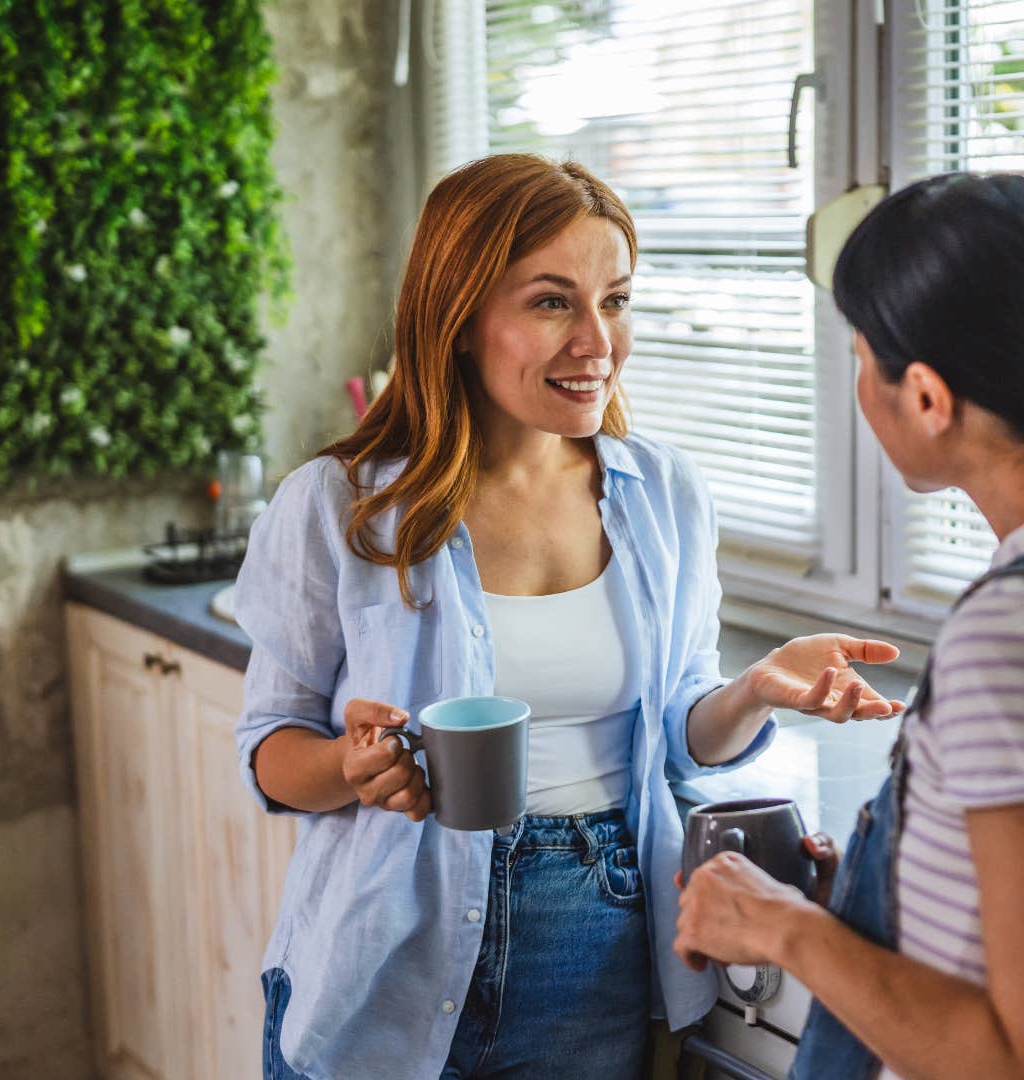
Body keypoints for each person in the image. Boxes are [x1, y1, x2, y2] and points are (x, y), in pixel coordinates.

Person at [232, 153, 904, 1080]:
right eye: (552, 302)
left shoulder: (662, 493)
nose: (597, 341)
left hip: (593, 958)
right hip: (379, 960)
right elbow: (271, 749)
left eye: (615, 301)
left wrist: (754, 690)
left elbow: (676, 739)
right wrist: (349, 768)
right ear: (459, 318)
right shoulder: (340, 506)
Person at [673, 173, 1024, 1080]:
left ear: (928, 398)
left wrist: (783, 929)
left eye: (862, 357)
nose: (858, 385)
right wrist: (879, 901)